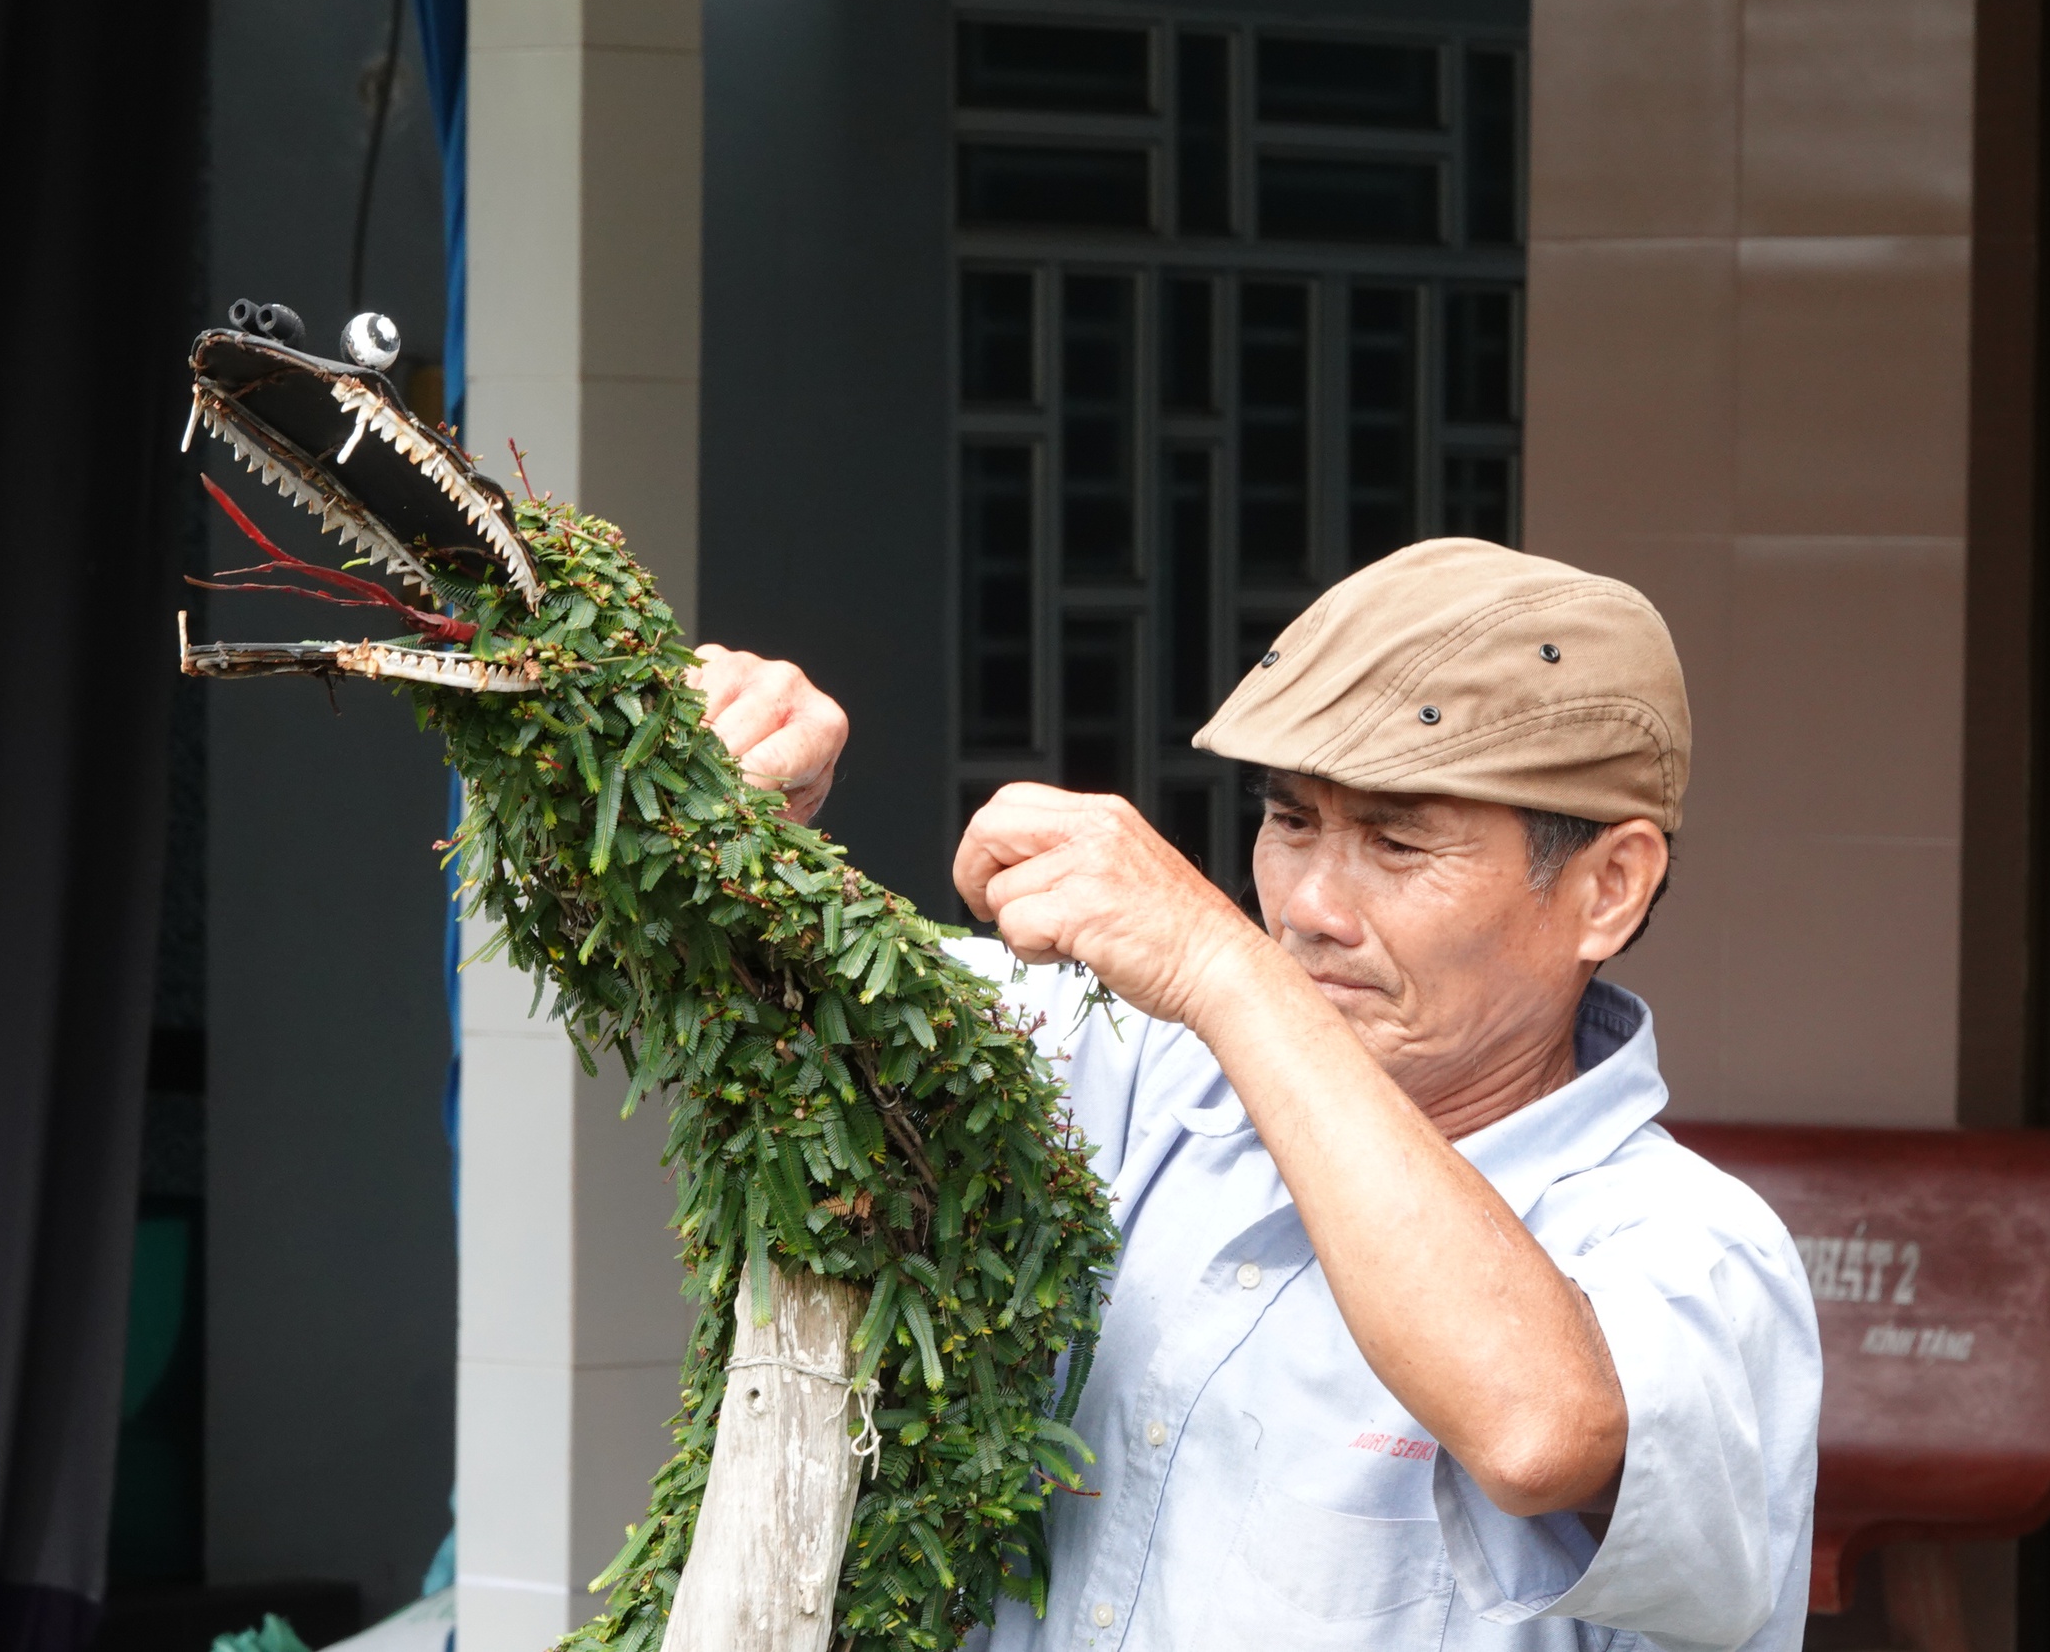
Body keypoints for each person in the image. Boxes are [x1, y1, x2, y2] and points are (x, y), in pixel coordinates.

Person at [693, 539, 1820, 1651]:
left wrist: (1224, 966)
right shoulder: (1136, 1071)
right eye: (1289, 821)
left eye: (1400, 840)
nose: (1309, 906)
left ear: (1607, 889)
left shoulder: (1694, 1252)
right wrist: (730, 790)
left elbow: (1537, 1433)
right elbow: (760, 988)